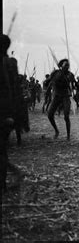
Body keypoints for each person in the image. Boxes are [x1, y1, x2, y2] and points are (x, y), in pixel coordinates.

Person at [1, 34, 24, 192]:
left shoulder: (8, 64)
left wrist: (11, 113)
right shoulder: (9, 63)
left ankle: (5, 182)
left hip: (4, 111)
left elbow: (11, 89)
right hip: (8, 111)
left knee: (2, 148)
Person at [47, 59, 76, 140]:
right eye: (65, 65)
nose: (67, 66)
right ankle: (56, 131)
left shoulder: (70, 75)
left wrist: (74, 88)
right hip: (56, 96)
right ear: (61, 66)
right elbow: (47, 82)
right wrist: (48, 80)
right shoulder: (55, 73)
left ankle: (68, 135)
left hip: (65, 96)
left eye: (68, 65)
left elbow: (74, 85)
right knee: (50, 115)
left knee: (66, 116)